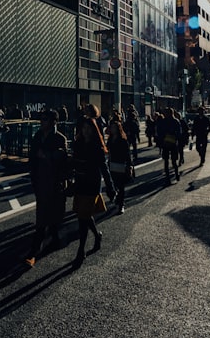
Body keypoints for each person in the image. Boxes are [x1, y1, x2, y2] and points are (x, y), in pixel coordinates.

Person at [24, 111, 70, 267]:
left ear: (53, 122)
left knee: (51, 214)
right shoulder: (37, 136)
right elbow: (33, 156)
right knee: (43, 213)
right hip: (40, 180)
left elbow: (61, 159)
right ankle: (47, 242)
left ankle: (35, 250)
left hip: (55, 182)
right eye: (41, 119)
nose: (42, 122)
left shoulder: (60, 138)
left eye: (45, 119)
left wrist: (46, 155)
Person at [70, 110, 108, 268]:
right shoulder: (77, 144)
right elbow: (74, 163)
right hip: (80, 182)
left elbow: (103, 168)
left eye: (89, 128)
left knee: (82, 219)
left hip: (91, 184)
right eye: (83, 128)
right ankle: (97, 235)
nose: (86, 131)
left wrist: (110, 187)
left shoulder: (96, 146)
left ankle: (81, 251)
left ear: (93, 129)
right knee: (84, 215)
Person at [105, 120, 134, 213]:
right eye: (112, 128)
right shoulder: (110, 139)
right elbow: (107, 150)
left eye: (114, 128)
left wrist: (129, 165)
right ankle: (116, 198)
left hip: (121, 164)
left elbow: (127, 154)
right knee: (113, 184)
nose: (113, 130)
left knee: (121, 186)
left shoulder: (123, 140)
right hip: (112, 164)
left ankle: (121, 204)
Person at [156, 108, 183, 184]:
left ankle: (169, 177)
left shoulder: (164, 122)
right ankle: (175, 174)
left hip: (166, 143)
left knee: (167, 161)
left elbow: (159, 131)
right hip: (173, 142)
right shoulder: (175, 121)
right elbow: (179, 133)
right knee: (173, 161)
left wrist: (162, 138)